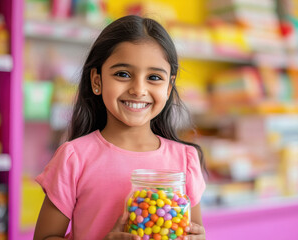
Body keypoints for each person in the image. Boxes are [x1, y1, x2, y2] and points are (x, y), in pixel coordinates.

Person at [33, 15, 207, 240]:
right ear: (97, 81)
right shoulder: (74, 157)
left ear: (168, 87)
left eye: (154, 77)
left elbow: (194, 231)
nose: (138, 89)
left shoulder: (186, 159)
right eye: (123, 74)